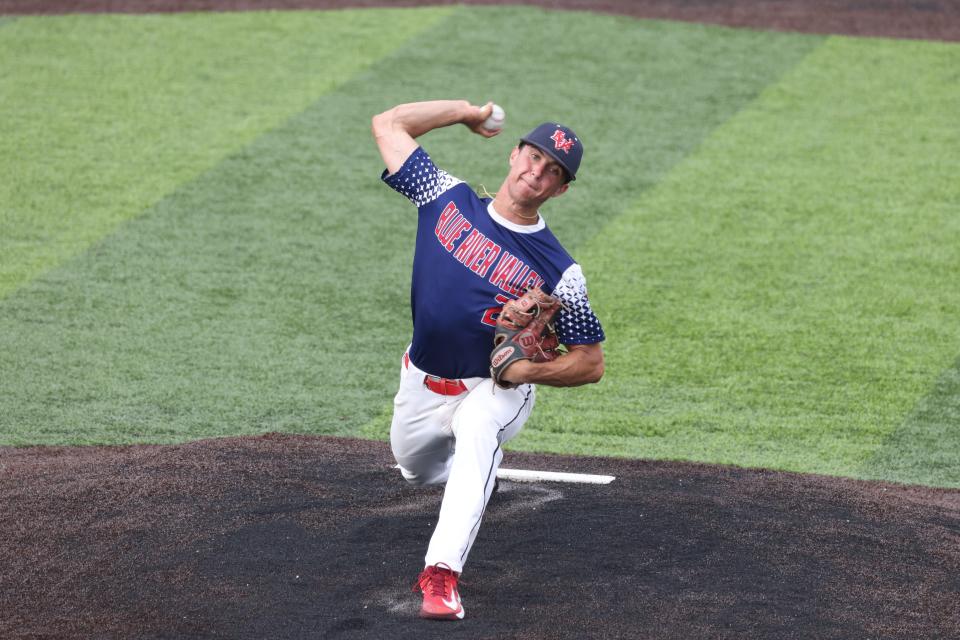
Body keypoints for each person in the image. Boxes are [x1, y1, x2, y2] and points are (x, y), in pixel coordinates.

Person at [371, 100, 605, 621]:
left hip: (495, 388)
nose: (536, 173)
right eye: (533, 157)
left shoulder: (561, 271)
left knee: (479, 431)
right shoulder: (446, 198)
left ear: (561, 190)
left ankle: (441, 576)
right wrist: (466, 112)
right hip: (423, 379)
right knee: (416, 469)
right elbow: (387, 125)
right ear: (514, 154)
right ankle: (478, 479)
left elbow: (590, 362)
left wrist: (523, 371)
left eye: (552, 172)